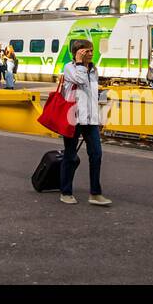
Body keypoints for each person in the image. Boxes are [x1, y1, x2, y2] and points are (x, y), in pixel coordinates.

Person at [59, 40, 111, 206]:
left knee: (96, 155)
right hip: (73, 118)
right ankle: (66, 192)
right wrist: (80, 63)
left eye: (91, 50)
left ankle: (95, 193)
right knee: (70, 155)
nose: (91, 53)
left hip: (90, 119)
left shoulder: (93, 69)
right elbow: (80, 81)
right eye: (86, 51)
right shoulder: (70, 68)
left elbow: (92, 94)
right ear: (77, 52)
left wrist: (98, 117)